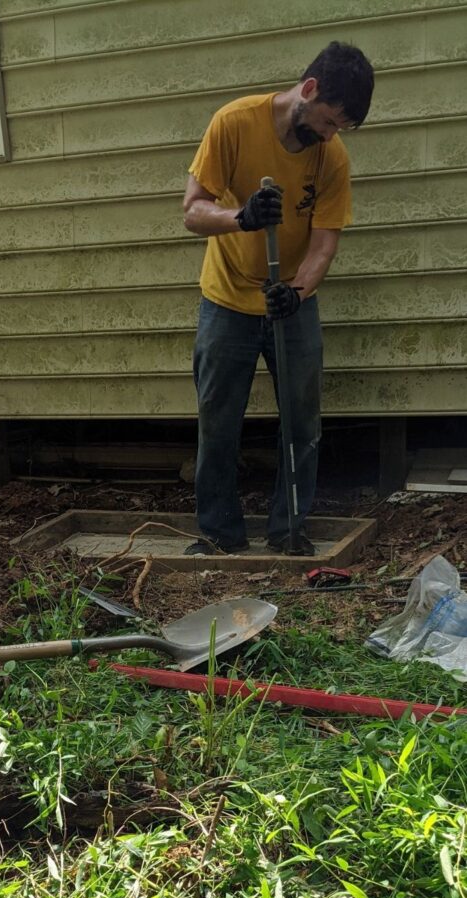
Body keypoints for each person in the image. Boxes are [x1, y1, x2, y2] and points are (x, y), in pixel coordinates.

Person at [183, 41, 374, 556]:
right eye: (330, 121)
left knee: (302, 421)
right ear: (308, 91)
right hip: (225, 300)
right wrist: (240, 217)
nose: (331, 136)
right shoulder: (234, 123)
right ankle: (220, 535)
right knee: (218, 420)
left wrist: (297, 291)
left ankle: (288, 530)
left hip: (290, 303)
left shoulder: (330, 158)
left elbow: (324, 241)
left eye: (340, 129)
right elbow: (193, 211)